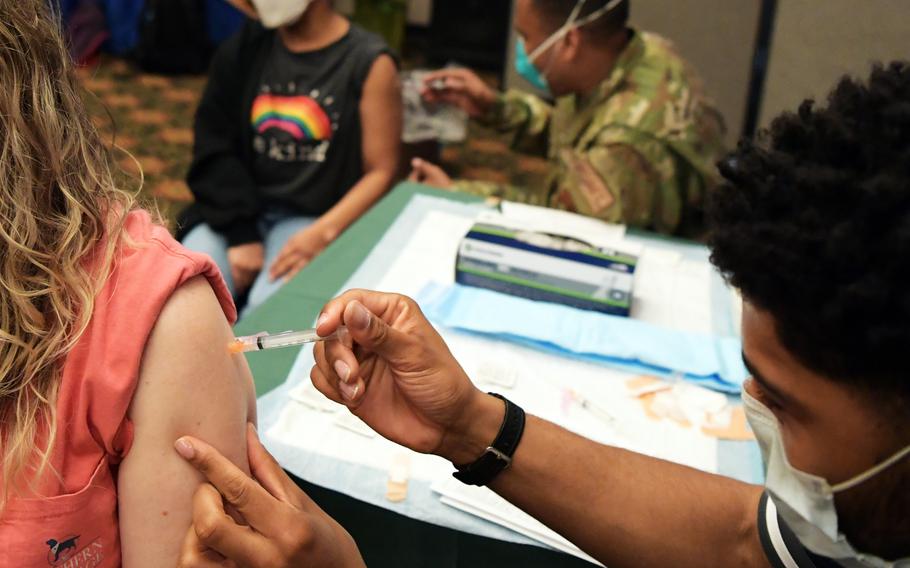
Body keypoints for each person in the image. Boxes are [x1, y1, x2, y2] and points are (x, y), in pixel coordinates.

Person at [176, 63, 910, 567]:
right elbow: (748, 547)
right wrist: (468, 425)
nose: (753, 409)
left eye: (785, 403)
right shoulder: (861, 520)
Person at [0, 2, 255, 566]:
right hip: (229, 215)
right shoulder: (240, 57)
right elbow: (214, 160)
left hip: (282, 219)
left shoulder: (155, 318)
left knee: (275, 263)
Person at [409, 0, 726, 237]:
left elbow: (563, 219)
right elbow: (574, 136)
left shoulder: (629, 141)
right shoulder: (632, 53)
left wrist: (456, 194)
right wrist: (495, 108)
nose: (523, 50)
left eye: (526, 37)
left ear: (570, 42)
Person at [180, 0, 402, 311]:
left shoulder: (369, 61)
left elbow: (381, 171)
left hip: (313, 217)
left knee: (268, 311)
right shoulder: (245, 47)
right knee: (186, 295)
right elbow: (214, 147)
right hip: (239, 211)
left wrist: (324, 232)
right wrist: (239, 232)